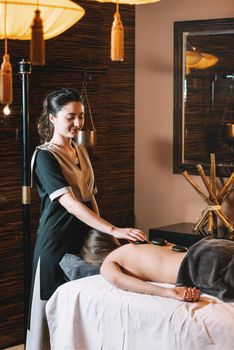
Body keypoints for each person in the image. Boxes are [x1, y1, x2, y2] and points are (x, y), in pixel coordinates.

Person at [26, 87, 146, 350]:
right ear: (52, 118)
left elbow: (89, 198)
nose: (78, 123)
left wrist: (103, 237)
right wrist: (114, 229)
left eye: (81, 116)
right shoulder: (45, 156)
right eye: (70, 117)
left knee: (85, 308)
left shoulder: (80, 151)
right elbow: (69, 203)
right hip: (56, 240)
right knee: (50, 307)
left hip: (85, 236)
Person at [81, 230, 234, 303]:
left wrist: (169, 292)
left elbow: (117, 280)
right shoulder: (141, 244)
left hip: (201, 264)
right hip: (210, 246)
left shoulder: (110, 261)